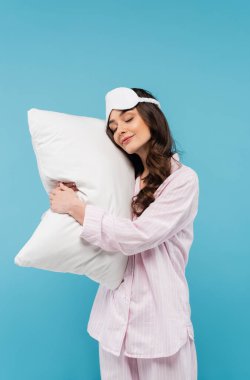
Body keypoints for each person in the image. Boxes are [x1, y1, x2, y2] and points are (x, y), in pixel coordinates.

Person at [49, 86, 199, 379]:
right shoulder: (121, 179)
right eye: (113, 127)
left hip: (160, 325)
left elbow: (137, 237)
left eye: (128, 119)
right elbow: (99, 217)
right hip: (114, 322)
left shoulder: (182, 180)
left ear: (151, 118)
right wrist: (74, 195)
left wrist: (77, 209)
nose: (120, 131)